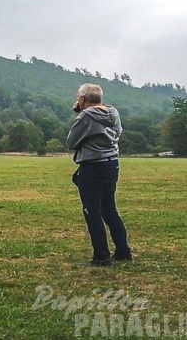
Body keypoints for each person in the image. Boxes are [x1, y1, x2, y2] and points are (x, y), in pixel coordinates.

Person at [66, 83, 132, 266]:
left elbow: (71, 142)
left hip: (92, 166)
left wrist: (79, 114)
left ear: (82, 99)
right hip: (112, 164)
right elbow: (117, 132)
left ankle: (101, 256)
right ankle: (123, 251)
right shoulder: (114, 112)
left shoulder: (85, 116)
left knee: (92, 212)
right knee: (109, 209)